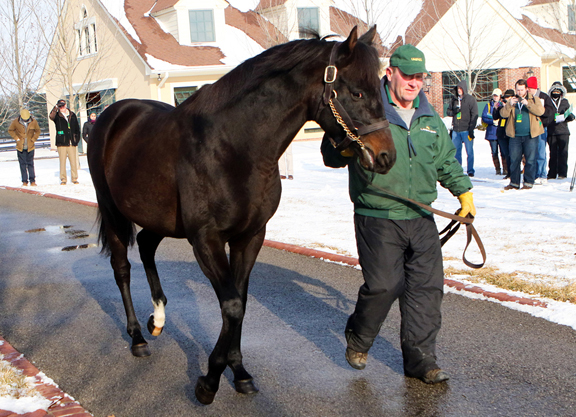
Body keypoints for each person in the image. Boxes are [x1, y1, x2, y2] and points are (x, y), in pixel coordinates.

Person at [321, 44, 475, 384]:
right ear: (390, 73)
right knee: (384, 285)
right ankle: (359, 337)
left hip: (421, 216)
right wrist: (346, 147)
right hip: (377, 213)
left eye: (420, 77)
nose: (414, 83)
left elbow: (445, 160)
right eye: (408, 75)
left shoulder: (429, 116)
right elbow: (331, 155)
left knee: (426, 289)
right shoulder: (367, 107)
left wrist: (463, 191)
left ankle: (421, 360)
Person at [500, 79, 544, 190]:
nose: (519, 92)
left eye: (521, 90)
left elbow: (540, 111)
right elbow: (503, 114)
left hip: (530, 135)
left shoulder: (534, 99)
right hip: (515, 135)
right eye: (518, 90)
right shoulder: (512, 101)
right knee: (514, 159)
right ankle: (514, 183)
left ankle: (528, 182)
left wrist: (528, 104)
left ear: (526, 89)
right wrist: (509, 105)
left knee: (530, 159)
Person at [526, 77, 554, 185]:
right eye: (528, 88)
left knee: (541, 151)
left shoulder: (543, 97)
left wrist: (543, 119)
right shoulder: (527, 98)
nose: (529, 90)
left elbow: (550, 112)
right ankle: (536, 173)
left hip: (541, 127)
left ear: (535, 87)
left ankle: (542, 174)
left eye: (530, 88)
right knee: (533, 152)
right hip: (530, 128)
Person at [447, 79, 478, 176]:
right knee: (456, 152)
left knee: (469, 151)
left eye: (460, 88)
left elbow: (474, 114)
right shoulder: (454, 99)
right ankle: (458, 169)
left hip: (466, 130)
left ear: (464, 89)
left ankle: (470, 170)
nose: (459, 90)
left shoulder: (470, 100)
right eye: (458, 88)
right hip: (456, 129)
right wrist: (454, 112)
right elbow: (448, 112)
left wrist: (471, 128)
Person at [49, 99, 81, 185]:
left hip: (71, 142)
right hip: (61, 142)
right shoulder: (57, 116)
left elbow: (77, 128)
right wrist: (55, 108)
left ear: (66, 105)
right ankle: (63, 179)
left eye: (63, 105)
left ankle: (74, 178)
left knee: (73, 161)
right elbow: (51, 116)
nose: (62, 108)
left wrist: (76, 139)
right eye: (60, 106)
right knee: (62, 161)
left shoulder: (72, 115)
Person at [547, 81, 574, 180]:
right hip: (552, 132)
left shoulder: (564, 102)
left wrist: (567, 116)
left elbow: (571, 116)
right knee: (552, 153)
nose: (556, 93)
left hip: (563, 131)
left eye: (558, 91)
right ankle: (552, 173)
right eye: (554, 91)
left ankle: (562, 173)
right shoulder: (548, 102)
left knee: (563, 153)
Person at [8, 109, 41, 186]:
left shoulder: (34, 122)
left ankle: (32, 180)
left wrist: (33, 139)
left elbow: (38, 131)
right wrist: (16, 138)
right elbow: (10, 130)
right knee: (22, 164)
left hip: (30, 146)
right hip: (20, 147)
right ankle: (24, 181)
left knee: (30, 164)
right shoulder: (16, 122)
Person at [482, 88, 507, 175]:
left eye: (497, 96)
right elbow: (484, 117)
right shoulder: (488, 105)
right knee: (494, 152)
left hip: (501, 132)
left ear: (500, 96)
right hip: (492, 133)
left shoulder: (503, 105)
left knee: (503, 152)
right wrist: (492, 121)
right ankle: (497, 169)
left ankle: (505, 169)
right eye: (494, 95)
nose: (495, 97)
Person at [494, 89, 515, 179]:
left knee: (512, 154)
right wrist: (496, 108)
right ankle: (508, 172)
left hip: (510, 133)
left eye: (508, 98)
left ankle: (514, 172)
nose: (506, 100)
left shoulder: (514, 106)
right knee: (506, 154)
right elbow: (495, 117)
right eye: (505, 98)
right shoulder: (501, 106)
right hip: (501, 133)